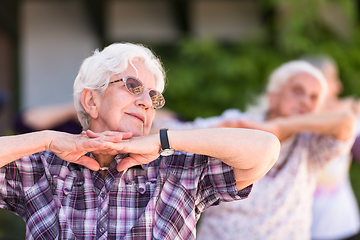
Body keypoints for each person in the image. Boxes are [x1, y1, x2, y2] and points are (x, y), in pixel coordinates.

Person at [0, 42, 280, 239]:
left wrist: (163, 141)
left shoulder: (178, 167)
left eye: (154, 96)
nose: (147, 102)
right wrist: (48, 140)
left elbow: (266, 148)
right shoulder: (43, 167)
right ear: (91, 101)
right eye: (133, 86)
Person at [196, 60, 356, 240]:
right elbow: (178, 134)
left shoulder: (311, 146)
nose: (305, 101)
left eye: (313, 97)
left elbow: (347, 122)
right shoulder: (237, 124)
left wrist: (279, 127)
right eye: (297, 91)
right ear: (273, 97)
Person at [301, 55, 360, 240]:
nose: (339, 87)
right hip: (299, 227)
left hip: (342, 224)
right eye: (334, 79)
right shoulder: (292, 118)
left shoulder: (348, 115)